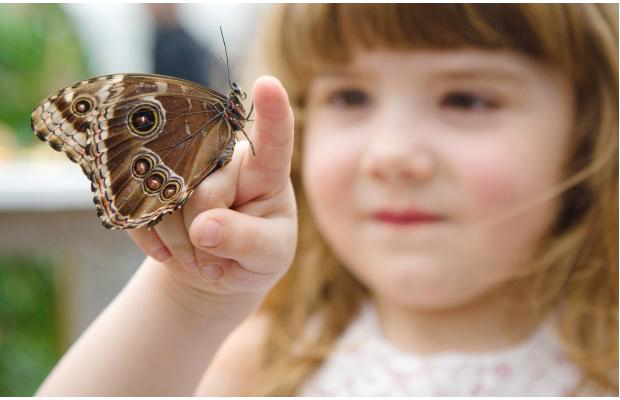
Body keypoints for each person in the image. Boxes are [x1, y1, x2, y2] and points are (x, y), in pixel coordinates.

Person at [35, 4, 617, 396]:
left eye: (465, 99)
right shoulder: (263, 360)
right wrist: (189, 303)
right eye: (350, 96)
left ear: (591, 127)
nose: (389, 155)